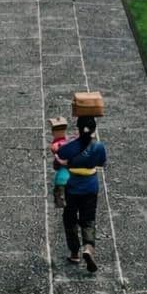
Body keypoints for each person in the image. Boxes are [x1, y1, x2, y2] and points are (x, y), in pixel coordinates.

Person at [55, 116, 106, 272]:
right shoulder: (99, 147)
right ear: (94, 130)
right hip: (90, 187)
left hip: (71, 187)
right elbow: (102, 163)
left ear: (78, 128)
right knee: (88, 219)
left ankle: (74, 252)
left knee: (70, 219)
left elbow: (57, 164)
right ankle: (88, 247)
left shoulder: (69, 147)